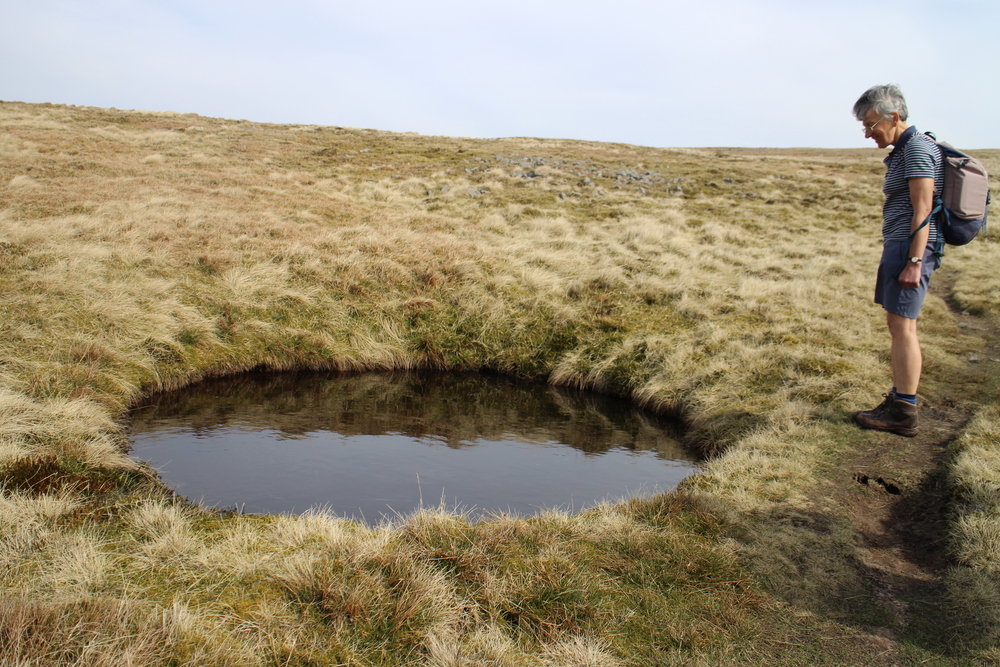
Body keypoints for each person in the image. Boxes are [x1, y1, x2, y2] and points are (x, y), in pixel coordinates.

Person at [851, 84, 944, 437]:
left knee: (903, 327)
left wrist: (915, 260)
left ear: (894, 116)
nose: (867, 132)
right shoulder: (907, 150)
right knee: (899, 325)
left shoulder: (918, 149)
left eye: (871, 124)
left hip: (911, 247)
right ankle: (898, 399)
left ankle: (904, 412)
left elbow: (923, 207)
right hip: (903, 245)